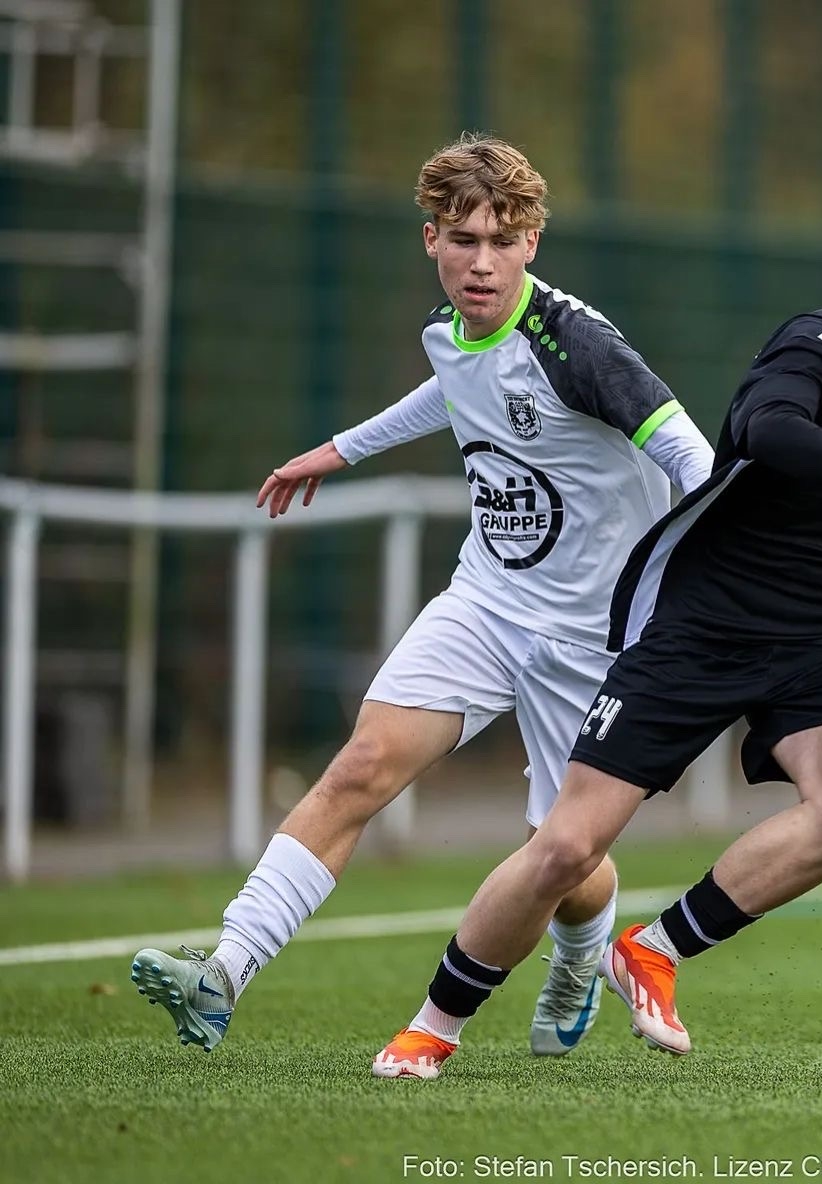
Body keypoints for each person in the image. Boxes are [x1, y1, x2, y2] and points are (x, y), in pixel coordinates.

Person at [130, 134, 714, 1071]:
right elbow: (452, 387)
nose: (482, 262)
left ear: (531, 245)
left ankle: (579, 957)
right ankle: (224, 972)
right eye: (464, 240)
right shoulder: (448, 330)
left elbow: (692, 456)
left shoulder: (579, 345)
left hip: (594, 635)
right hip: (484, 602)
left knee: (562, 857)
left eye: (503, 241)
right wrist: (342, 449)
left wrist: (706, 578)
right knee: (360, 767)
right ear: (431, 238)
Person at [388, 204, 822, 1076]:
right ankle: (433, 1025)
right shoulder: (813, 349)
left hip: (818, 643)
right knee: (566, 849)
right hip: (703, 630)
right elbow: (766, 431)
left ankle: (654, 949)